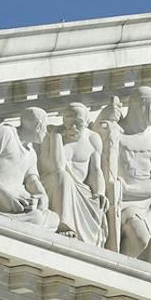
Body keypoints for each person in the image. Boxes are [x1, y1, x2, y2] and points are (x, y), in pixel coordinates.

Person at [98, 88, 151, 266]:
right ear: (143, 106)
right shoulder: (117, 133)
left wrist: (130, 189)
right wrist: (102, 121)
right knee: (140, 237)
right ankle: (124, 266)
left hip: (146, 199)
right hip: (124, 202)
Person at [0, 107, 57, 228]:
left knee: (54, 219)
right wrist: (5, 195)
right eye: (45, 128)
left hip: (18, 200)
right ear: (38, 126)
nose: (46, 132)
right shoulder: (4, 133)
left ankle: (4, 219)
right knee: (37, 218)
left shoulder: (31, 152)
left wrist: (42, 195)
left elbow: (31, 179)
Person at [39, 103, 108, 246]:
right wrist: (56, 136)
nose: (73, 127)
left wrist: (100, 191)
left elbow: (96, 170)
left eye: (78, 123)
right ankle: (65, 224)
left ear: (87, 122)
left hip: (82, 191)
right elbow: (57, 167)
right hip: (54, 186)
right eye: (68, 122)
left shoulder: (93, 139)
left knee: (93, 198)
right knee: (63, 176)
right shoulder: (50, 136)